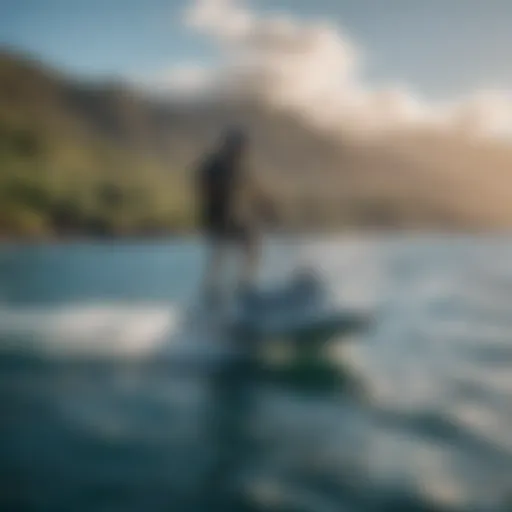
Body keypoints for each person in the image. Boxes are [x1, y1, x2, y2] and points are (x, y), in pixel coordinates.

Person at [196, 127, 274, 306]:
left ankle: (242, 288)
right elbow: (207, 188)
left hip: (230, 220)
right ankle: (213, 296)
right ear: (230, 146)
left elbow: (254, 190)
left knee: (250, 244)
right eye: (240, 147)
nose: (243, 152)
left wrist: (269, 210)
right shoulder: (214, 166)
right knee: (221, 256)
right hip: (216, 220)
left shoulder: (235, 166)